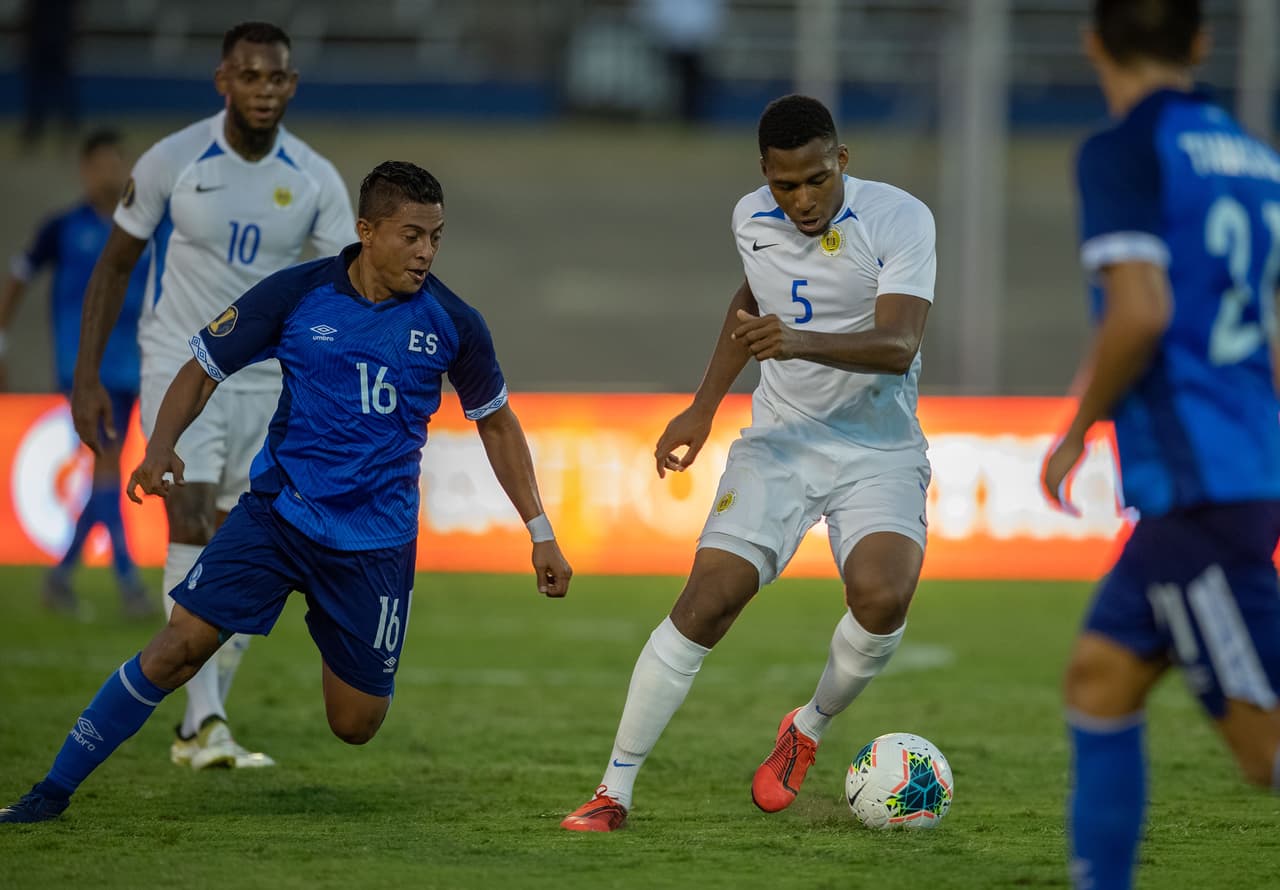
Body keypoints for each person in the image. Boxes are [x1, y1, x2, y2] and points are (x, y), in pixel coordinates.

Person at [0, 160, 573, 825]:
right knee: (177, 646)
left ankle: (326, 617)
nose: (426, 252)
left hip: (375, 544)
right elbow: (202, 369)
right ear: (366, 230)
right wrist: (161, 449)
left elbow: (497, 424)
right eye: (411, 234)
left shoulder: (454, 322)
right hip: (279, 517)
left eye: (436, 237)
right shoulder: (297, 295)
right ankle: (52, 791)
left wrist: (540, 532)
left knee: (355, 723)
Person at [562, 94, 937, 831]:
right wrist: (703, 407)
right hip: (781, 445)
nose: (801, 199)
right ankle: (614, 791)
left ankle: (808, 728)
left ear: (843, 162)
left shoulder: (901, 219)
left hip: (879, 450)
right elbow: (751, 302)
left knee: (883, 598)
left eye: (817, 181)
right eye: (784, 185)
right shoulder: (749, 220)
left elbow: (899, 345)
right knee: (708, 601)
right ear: (764, 175)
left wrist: (797, 341)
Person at [69, 21, 355, 771]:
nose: (265, 91)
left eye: (278, 79)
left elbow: (340, 297)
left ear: (291, 85)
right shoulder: (174, 159)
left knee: (240, 548)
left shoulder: (317, 179)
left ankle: (199, 725)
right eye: (251, 77)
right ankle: (206, 721)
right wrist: (86, 375)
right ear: (223, 80)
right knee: (190, 522)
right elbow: (115, 266)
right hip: (182, 365)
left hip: (269, 381)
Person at [1041, 2, 1280, 887]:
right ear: (1201, 42)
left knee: (1264, 749)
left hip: (1196, 484)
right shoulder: (1256, 158)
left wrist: (1074, 433)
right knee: (1100, 678)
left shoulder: (1122, 149)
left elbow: (1141, 309)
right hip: (1242, 461)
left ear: (1095, 40)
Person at [0, 128, 154, 618]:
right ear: (87, 170)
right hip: (84, 367)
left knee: (105, 473)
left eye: (120, 161)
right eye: (105, 162)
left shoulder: (142, 230)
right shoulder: (62, 227)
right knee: (108, 465)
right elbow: (19, 276)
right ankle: (129, 583)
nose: (114, 171)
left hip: (132, 364)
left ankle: (60, 577)